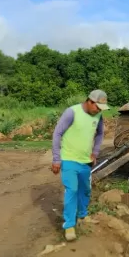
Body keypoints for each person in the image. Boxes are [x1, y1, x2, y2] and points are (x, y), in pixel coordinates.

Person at [51, 90, 108, 241]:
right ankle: (69, 225)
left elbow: (100, 133)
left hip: (86, 161)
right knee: (72, 189)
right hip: (69, 159)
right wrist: (56, 159)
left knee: (85, 190)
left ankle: (82, 216)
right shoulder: (72, 112)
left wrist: (95, 152)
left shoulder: (98, 115)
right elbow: (57, 133)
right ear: (90, 102)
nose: (99, 111)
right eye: (98, 107)